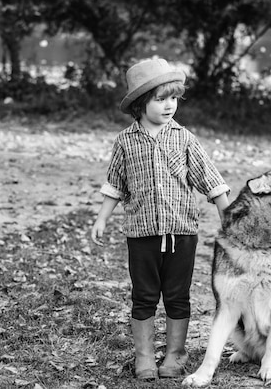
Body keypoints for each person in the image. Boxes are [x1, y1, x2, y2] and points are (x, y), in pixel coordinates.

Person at [91, 58, 230, 380]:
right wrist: (101, 219)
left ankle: (175, 355)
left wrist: (230, 217)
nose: (169, 106)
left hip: (182, 233)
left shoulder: (184, 139)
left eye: (174, 99)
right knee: (144, 296)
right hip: (141, 235)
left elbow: (210, 179)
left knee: (177, 296)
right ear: (141, 103)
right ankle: (144, 357)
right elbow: (115, 184)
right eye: (161, 99)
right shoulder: (126, 141)